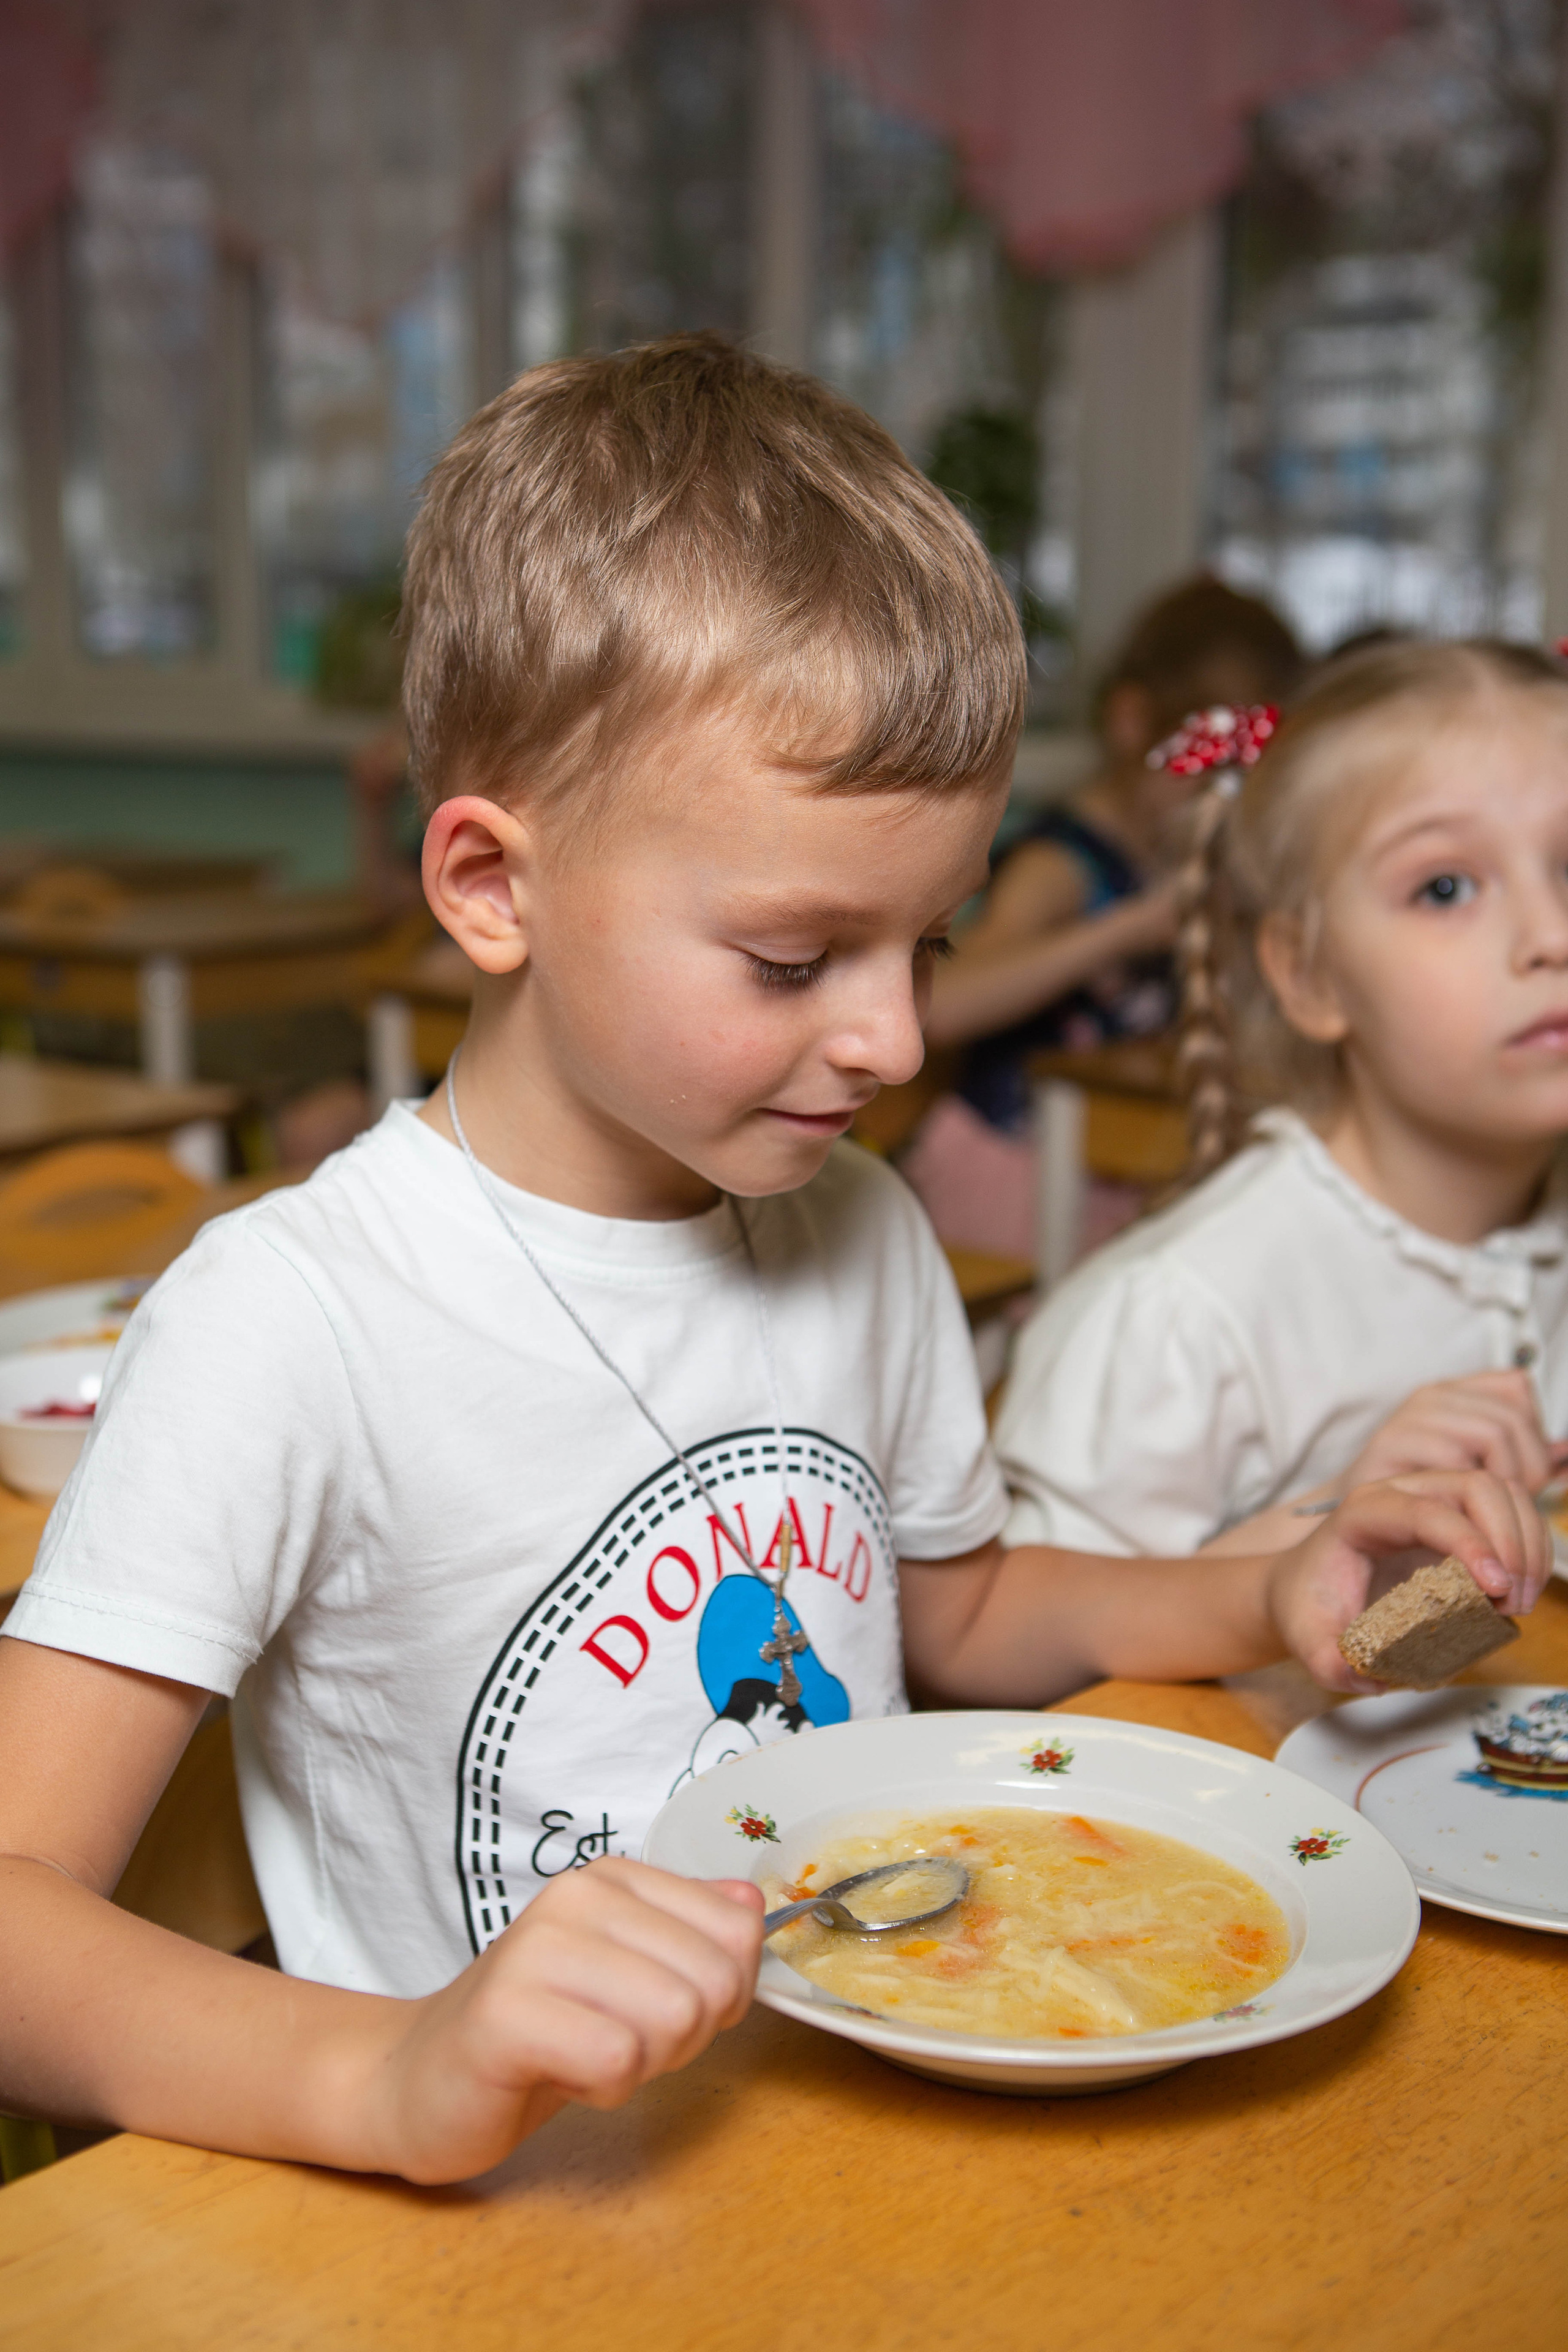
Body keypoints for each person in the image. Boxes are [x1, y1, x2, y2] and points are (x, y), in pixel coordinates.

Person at [0, 349, 1544, 2188]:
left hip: (863, 2135)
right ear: (493, 884)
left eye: (933, 936)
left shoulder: (859, 1228)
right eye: (795, 956)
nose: (896, 1034)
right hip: (505, 2223)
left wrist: (1266, 1587)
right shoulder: (290, 1318)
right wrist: (392, 2070)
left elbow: (957, 1622)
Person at [995, 639, 1568, 1559]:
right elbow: (1013, 1656)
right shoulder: (1180, 1315)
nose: (1550, 935)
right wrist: (1331, 1520)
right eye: (1446, 887)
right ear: (1308, 976)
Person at [903, 575, 1303, 1256]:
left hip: (1104, 1161)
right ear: (1131, 723)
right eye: (1202, 778)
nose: (1218, 804)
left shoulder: (1167, 858)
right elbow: (942, 1004)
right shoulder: (1061, 865)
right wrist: (1126, 929)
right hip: (1005, 1167)